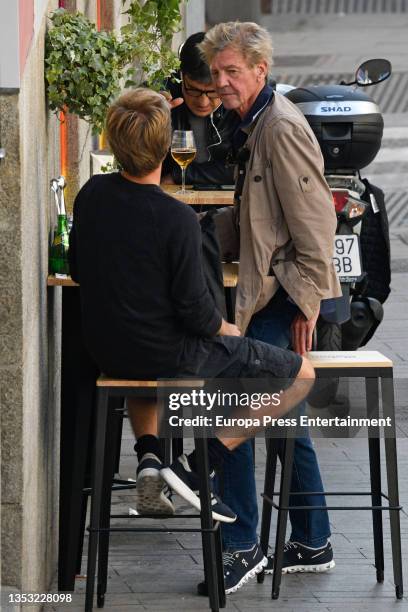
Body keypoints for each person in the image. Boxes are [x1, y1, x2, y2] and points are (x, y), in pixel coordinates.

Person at [68, 88, 315, 575]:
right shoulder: (177, 218)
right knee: (301, 374)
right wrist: (225, 327)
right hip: (168, 355)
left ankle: (148, 455)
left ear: (115, 145)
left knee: (142, 362)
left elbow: (78, 266)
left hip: (108, 350)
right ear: (166, 150)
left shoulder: (91, 195)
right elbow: (198, 315)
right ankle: (200, 469)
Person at [194, 21, 342, 593]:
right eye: (219, 72)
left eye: (234, 71)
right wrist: (201, 231)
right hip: (273, 292)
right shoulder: (252, 122)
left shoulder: (279, 126)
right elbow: (260, 214)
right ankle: (313, 538)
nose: (224, 82)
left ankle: (241, 546)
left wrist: (308, 305)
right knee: (280, 414)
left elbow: (315, 222)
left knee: (232, 406)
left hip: (284, 298)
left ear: (261, 68)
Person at [161, 31, 237, 187]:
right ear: (181, 76)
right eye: (193, 90)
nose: (203, 102)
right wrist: (151, 121)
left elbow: (243, 167)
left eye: (213, 92)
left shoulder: (240, 101)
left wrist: (179, 175)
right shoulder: (161, 94)